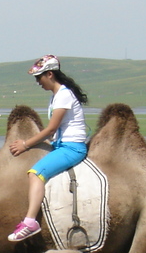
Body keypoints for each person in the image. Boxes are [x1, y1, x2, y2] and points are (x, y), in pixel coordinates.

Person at [7, 55, 90, 242]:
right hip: (61, 144)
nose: (38, 82)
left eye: (39, 77)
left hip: (71, 148)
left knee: (35, 173)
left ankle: (30, 222)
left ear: (50, 74)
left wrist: (25, 144)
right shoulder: (57, 96)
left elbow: (51, 128)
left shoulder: (63, 95)